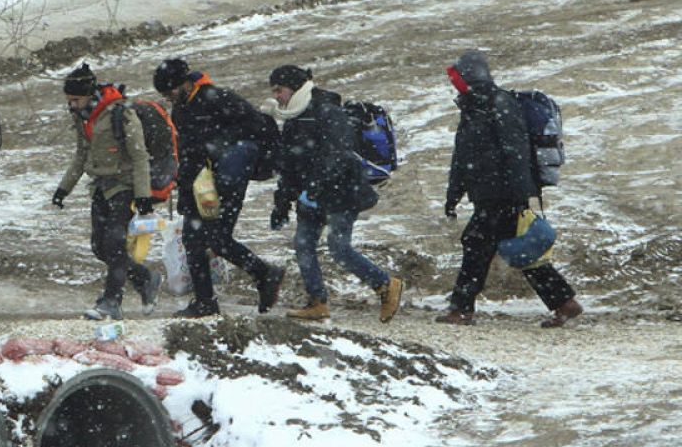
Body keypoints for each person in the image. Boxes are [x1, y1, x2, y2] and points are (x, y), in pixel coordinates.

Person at [437, 50, 581, 328]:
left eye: (458, 78)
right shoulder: (473, 108)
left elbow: (515, 152)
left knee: (477, 247)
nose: (455, 84)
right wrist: (453, 195)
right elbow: (462, 158)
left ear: (470, 76)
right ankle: (564, 302)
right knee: (520, 251)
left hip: (501, 196)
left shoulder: (499, 104)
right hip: (491, 195)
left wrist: (518, 195)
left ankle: (462, 309)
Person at [266, 66, 403, 323]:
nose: (277, 97)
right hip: (314, 193)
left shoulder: (328, 111)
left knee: (338, 247)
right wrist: (282, 203)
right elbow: (289, 164)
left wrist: (314, 188)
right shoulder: (294, 117)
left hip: (342, 192)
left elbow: (337, 155)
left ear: (294, 87)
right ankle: (317, 302)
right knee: (303, 244)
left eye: (279, 90)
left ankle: (386, 285)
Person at [154, 58, 286, 318]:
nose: (169, 98)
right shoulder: (180, 111)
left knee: (217, 239)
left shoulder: (219, 98)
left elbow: (261, 129)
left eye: (171, 91)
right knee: (192, 239)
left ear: (186, 82)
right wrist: (184, 193)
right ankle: (205, 302)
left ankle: (264, 273)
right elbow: (189, 154)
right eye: (164, 95)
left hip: (229, 181)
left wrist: (224, 153)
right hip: (200, 184)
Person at [51, 65, 158, 321]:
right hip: (100, 186)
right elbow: (81, 154)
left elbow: (140, 156)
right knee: (99, 246)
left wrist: (143, 196)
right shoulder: (82, 118)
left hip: (125, 186)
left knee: (114, 243)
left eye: (75, 100)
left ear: (89, 94)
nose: (72, 106)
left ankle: (111, 301)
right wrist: (63, 188)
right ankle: (145, 278)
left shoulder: (121, 114)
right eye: (69, 101)